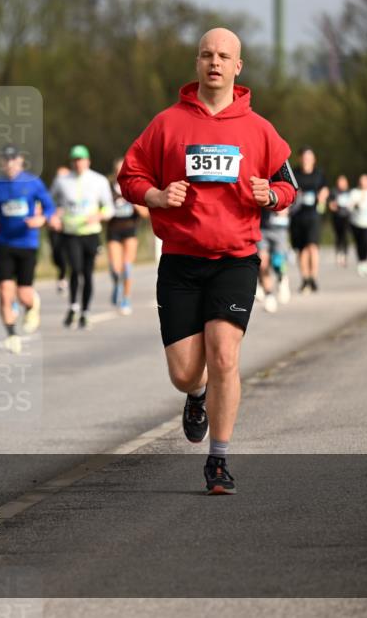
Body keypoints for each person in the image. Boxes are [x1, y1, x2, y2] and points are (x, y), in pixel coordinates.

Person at [117, 27, 297, 495]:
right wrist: (156, 194)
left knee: (224, 355)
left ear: (238, 67)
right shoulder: (167, 124)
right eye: (206, 55)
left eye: (224, 56)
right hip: (180, 261)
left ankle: (218, 460)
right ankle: (195, 397)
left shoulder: (259, 129)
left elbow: (289, 185)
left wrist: (272, 195)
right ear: (197, 63)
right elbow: (130, 175)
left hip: (235, 260)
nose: (214, 62)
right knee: (184, 373)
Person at [0, 145, 55, 354]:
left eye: (13, 159)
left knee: (23, 293)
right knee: (4, 292)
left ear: (20, 161)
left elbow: (50, 207)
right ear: (2, 162)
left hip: (27, 244)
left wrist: (41, 219)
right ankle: (11, 334)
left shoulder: (33, 182)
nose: (10, 163)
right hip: (4, 244)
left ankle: (31, 305)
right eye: (6, 159)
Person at [50, 145, 115, 329]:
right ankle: (73, 306)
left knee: (87, 274)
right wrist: (55, 216)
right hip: (70, 233)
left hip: (91, 233)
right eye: (75, 160)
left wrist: (99, 215)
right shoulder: (62, 180)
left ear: (88, 161)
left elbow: (109, 207)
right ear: (71, 162)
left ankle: (85, 312)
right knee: (75, 270)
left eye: (81, 160)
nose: (78, 164)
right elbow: (50, 202)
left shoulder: (99, 180)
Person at [106, 156, 149, 315]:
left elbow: (145, 214)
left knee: (127, 267)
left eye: (122, 170)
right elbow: (102, 208)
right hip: (113, 231)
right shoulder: (108, 188)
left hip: (130, 230)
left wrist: (135, 203)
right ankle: (117, 284)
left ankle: (125, 298)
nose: (120, 173)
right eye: (117, 171)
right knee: (115, 267)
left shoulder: (134, 187)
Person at [289, 147, 329, 293]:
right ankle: (305, 278)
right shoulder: (294, 173)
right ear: (300, 159)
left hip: (314, 214)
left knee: (313, 247)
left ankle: (313, 278)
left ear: (314, 159)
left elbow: (325, 189)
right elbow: (288, 189)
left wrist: (323, 194)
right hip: (298, 215)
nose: (307, 160)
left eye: (309, 157)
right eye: (304, 157)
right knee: (302, 249)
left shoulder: (319, 174)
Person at [257, 206, 291, 313]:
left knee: (278, 261)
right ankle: (269, 295)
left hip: (279, 229)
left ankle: (282, 278)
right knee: (263, 262)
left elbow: (295, 197)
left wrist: (287, 208)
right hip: (262, 228)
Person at [48, 166, 72, 293]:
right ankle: (62, 272)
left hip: (70, 227)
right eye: (59, 176)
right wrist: (52, 216)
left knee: (67, 253)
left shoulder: (73, 190)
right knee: (56, 254)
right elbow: (45, 205)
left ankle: (64, 277)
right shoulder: (52, 192)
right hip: (55, 227)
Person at [329, 175, 352, 267]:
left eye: (343, 182)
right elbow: (330, 204)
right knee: (338, 236)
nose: (341, 184)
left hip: (347, 217)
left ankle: (345, 255)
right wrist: (333, 205)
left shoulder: (350, 192)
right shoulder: (334, 192)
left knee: (345, 236)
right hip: (337, 217)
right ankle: (338, 253)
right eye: (339, 182)